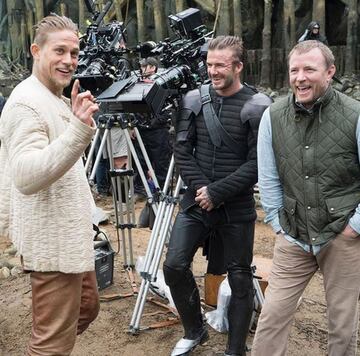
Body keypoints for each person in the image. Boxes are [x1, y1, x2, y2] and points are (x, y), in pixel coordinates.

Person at [163, 35, 272, 356]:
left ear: (238, 66)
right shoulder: (193, 100)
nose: (212, 71)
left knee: (240, 278)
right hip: (197, 202)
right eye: (209, 64)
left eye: (220, 65)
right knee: (173, 265)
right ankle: (195, 331)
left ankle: (235, 350)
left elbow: (258, 163)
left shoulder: (258, 106)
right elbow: (181, 151)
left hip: (236, 206)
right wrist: (203, 191)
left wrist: (218, 192)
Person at [252, 40, 360, 356]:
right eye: (294, 70)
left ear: (330, 72)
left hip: (342, 235)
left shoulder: (355, 115)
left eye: (309, 69)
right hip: (294, 235)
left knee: (342, 322)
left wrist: (354, 227)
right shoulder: (272, 117)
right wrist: (277, 222)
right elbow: (268, 177)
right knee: (273, 315)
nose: (300, 77)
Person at [0, 15, 100, 355]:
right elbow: (26, 176)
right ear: (36, 51)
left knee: (87, 307)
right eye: (59, 51)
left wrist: (74, 120)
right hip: (52, 241)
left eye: (74, 52)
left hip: (70, 236)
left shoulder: (51, 96)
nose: (69, 60)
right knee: (50, 345)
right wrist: (77, 130)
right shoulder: (25, 103)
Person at [133, 57, 172, 199]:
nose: (142, 69)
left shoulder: (162, 83)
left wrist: (156, 122)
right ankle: (139, 189)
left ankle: (163, 190)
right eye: (141, 66)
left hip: (158, 130)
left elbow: (167, 107)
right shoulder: (137, 83)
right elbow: (132, 106)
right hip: (140, 129)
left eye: (145, 66)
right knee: (140, 161)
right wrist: (133, 125)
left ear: (152, 67)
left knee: (161, 161)